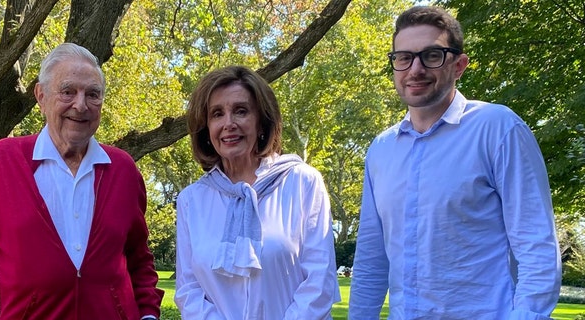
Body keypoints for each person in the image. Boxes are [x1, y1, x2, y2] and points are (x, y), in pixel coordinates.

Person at [348, 6, 561, 319]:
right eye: (403, 57)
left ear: (459, 65)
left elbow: (536, 246)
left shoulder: (497, 128)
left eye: (432, 55)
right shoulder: (381, 149)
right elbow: (371, 259)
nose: (415, 69)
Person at [0, 43, 164, 319]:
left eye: (93, 94)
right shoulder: (1, 162)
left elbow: (139, 258)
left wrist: (148, 315)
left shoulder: (123, 170)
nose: (81, 105)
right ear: (41, 96)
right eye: (67, 91)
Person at [175, 65, 340, 319]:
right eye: (217, 114)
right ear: (206, 129)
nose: (228, 123)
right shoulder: (191, 201)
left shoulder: (303, 183)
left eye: (241, 111)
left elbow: (320, 282)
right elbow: (189, 290)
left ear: (262, 122)